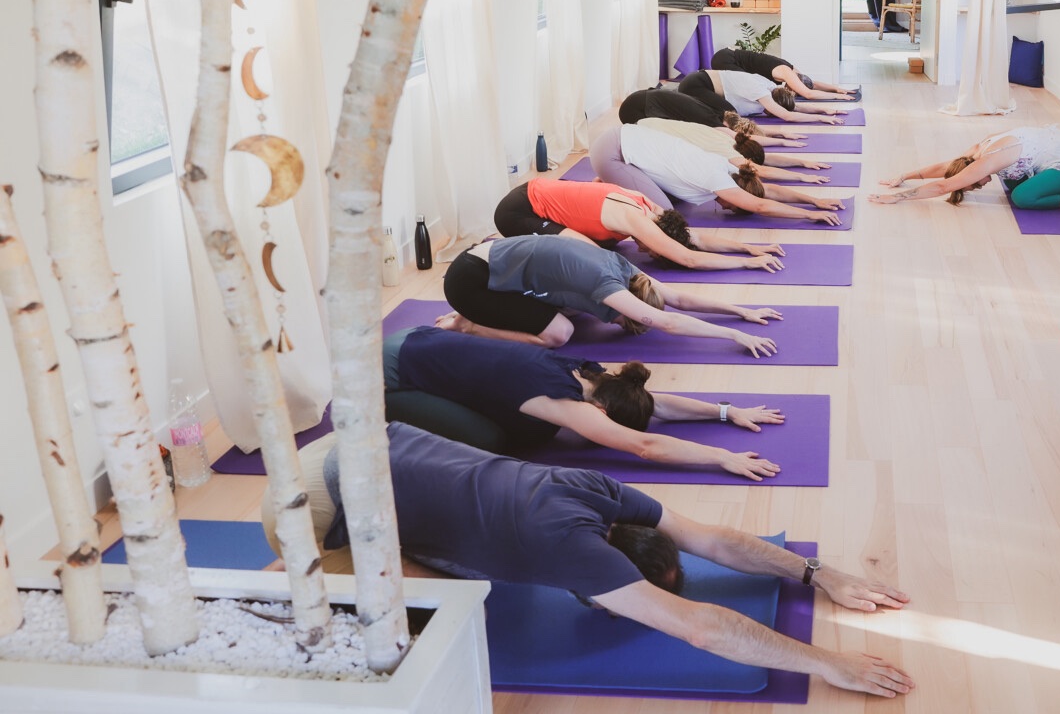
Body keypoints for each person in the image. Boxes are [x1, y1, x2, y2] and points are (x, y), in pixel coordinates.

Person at [264, 423, 915, 698]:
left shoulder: (595, 491)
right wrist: (831, 665)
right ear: (604, 575)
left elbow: (714, 539)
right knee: (443, 612)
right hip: (311, 505)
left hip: (368, 437)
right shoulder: (573, 552)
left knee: (469, 574)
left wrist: (815, 572)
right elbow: (699, 626)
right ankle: (280, 580)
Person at [382, 324, 784, 478]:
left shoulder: (590, 372)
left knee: (520, 427)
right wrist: (720, 456)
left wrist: (727, 412)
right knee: (490, 442)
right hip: (390, 373)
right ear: (602, 413)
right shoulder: (563, 401)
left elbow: (653, 401)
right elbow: (644, 446)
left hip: (421, 337)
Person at [438, 234, 783, 358]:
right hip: (469, 283)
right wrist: (734, 334)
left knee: (571, 312)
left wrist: (741, 312)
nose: (614, 323)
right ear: (628, 309)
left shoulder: (627, 272)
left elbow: (679, 299)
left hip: (488, 261)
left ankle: (479, 317)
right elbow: (669, 321)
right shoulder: (608, 286)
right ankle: (467, 326)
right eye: (623, 322)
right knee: (559, 334)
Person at [493, 176, 786, 273]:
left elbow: (693, 238)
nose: (648, 252)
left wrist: (749, 248)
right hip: (519, 210)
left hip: (539, 191)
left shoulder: (652, 209)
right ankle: (502, 250)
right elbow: (688, 257)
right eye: (655, 250)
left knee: (606, 246)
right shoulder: (636, 219)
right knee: (592, 256)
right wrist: (746, 264)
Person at [592, 124, 844, 226]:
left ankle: (610, 180)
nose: (725, 207)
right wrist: (811, 214)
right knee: (665, 216)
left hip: (624, 136)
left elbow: (768, 190)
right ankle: (598, 191)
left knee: (675, 201)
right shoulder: (718, 178)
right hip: (613, 152)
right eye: (733, 207)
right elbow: (761, 204)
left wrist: (813, 200)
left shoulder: (732, 170)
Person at [870, 125, 1060, 210]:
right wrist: (905, 175)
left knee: (1022, 197)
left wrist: (897, 197)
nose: (984, 184)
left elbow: (944, 185)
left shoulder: (987, 160)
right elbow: (947, 167)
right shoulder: (976, 152)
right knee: (1010, 181)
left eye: (974, 183)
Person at [636, 116, 837, 180]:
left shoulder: (729, 137)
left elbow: (764, 159)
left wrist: (802, 162)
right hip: (643, 139)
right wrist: (802, 176)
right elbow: (762, 169)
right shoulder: (725, 151)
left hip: (646, 122)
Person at [618, 88, 809, 146]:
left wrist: (781, 134)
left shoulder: (723, 110)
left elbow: (747, 127)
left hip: (641, 97)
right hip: (635, 110)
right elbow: (743, 137)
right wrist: (782, 142)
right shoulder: (711, 120)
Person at [678, 68, 854, 125]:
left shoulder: (773, 89)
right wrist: (819, 119)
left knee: (731, 114)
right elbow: (787, 115)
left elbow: (794, 107)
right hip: (696, 84)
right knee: (730, 117)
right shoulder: (761, 92)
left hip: (702, 83)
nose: (772, 113)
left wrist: (826, 111)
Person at [710, 47, 859, 101]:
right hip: (725, 59)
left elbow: (812, 84)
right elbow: (808, 93)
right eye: (793, 90)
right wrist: (837, 96)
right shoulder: (786, 72)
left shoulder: (794, 71)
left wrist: (836, 88)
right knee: (746, 90)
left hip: (726, 55)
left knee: (753, 88)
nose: (791, 92)